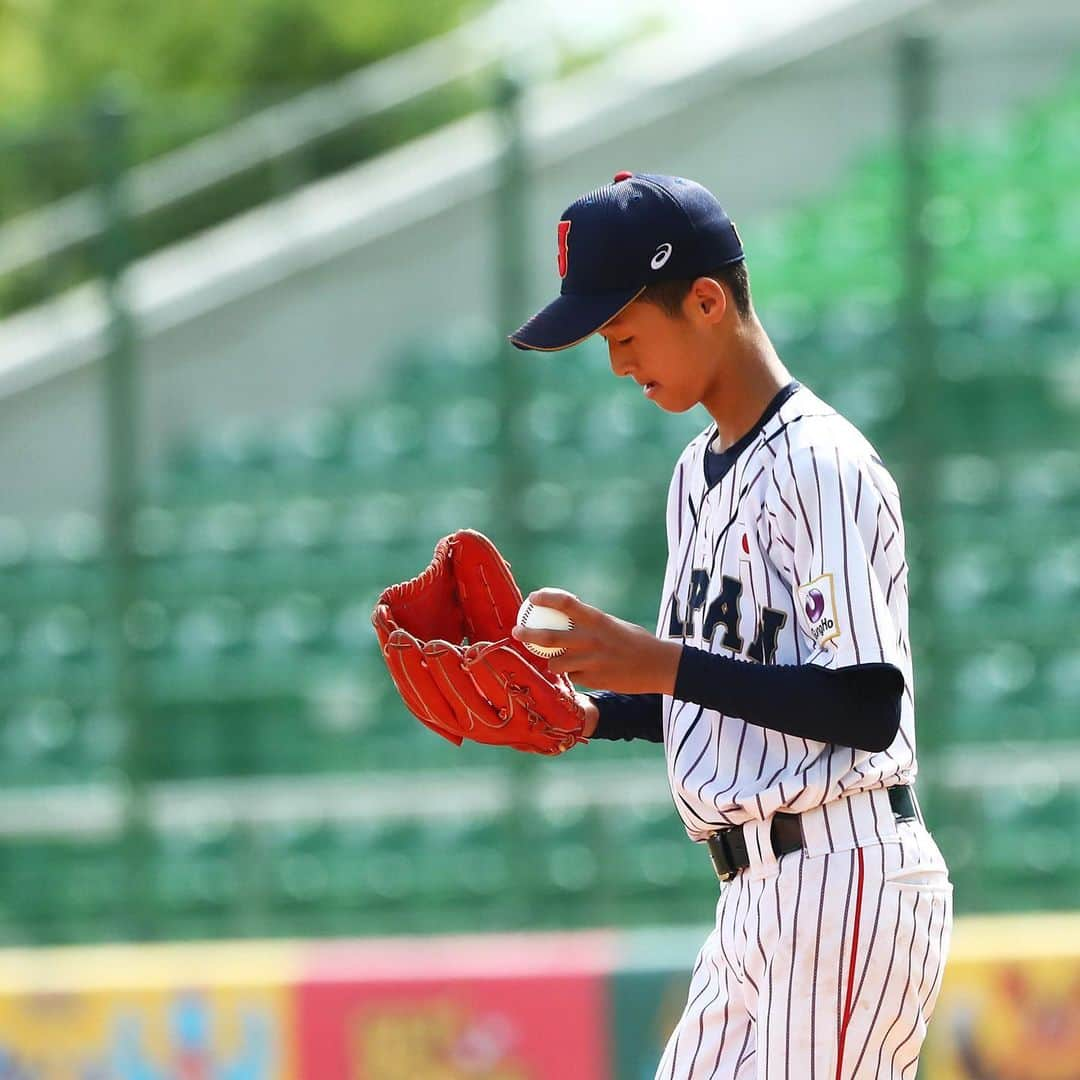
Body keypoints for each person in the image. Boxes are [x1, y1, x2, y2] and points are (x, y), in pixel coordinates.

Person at [508, 172, 953, 1079]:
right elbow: (722, 691)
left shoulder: (820, 463)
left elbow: (865, 705)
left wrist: (659, 663)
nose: (618, 363)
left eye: (624, 333)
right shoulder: (691, 477)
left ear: (707, 300)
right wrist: (595, 712)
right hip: (755, 896)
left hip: (844, 871)